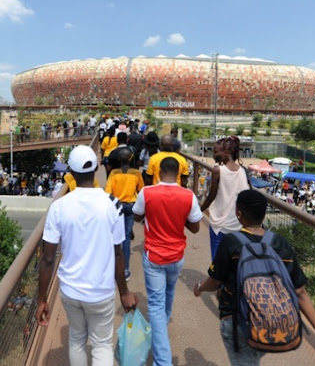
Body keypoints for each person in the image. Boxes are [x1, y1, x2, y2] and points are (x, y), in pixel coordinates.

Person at [192, 190, 315, 366]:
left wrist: (199, 287)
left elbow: (215, 281)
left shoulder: (231, 242)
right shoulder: (280, 243)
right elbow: (301, 293)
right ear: (263, 214)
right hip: (273, 323)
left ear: (239, 214)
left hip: (237, 321)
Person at [36, 145, 138, 365]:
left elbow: (47, 258)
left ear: (70, 173)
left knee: (76, 339)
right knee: (101, 344)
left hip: (70, 289)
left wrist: (42, 299)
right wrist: (124, 292)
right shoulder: (113, 205)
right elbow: (118, 254)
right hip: (101, 289)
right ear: (98, 168)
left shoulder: (58, 207)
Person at [133, 157, 202, 365]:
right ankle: (160, 332)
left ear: (160, 172)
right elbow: (196, 227)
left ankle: (162, 361)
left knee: (155, 304)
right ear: (179, 174)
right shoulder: (188, 196)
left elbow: (136, 216)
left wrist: (151, 216)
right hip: (176, 256)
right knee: (168, 294)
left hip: (154, 255)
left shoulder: (147, 193)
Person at [200, 136, 250, 261]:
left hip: (220, 224)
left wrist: (199, 209)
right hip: (237, 223)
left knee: (217, 260)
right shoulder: (242, 171)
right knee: (233, 259)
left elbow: (211, 196)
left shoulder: (218, 170)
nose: (213, 154)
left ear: (226, 153)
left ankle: (216, 279)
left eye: (216, 152)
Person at [105, 147, 145, 281]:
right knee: (126, 237)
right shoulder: (136, 174)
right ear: (131, 159)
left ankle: (112, 267)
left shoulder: (113, 173)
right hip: (130, 206)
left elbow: (108, 192)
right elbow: (141, 190)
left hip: (117, 206)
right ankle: (126, 269)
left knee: (113, 237)